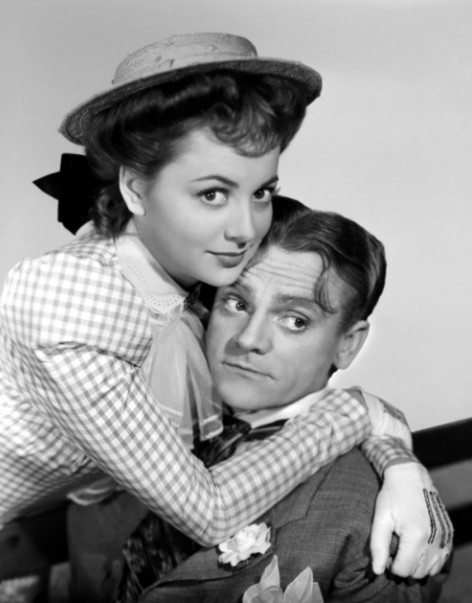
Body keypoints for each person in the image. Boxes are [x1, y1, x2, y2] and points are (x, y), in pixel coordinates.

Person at [0, 33, 447, 599]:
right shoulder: (76, 310)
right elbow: (209, 511)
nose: (245, 229)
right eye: (212, 194)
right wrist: (352, 413)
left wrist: (399, 461)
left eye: (261, 192)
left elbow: (296, 364)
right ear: (134, 187)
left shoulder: (180, 257)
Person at [136, 197, 452, 603]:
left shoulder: (371, 525)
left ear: (347, 344)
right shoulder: (173, 404)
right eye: (237, 303)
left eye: (295, 320)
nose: (248, 339)